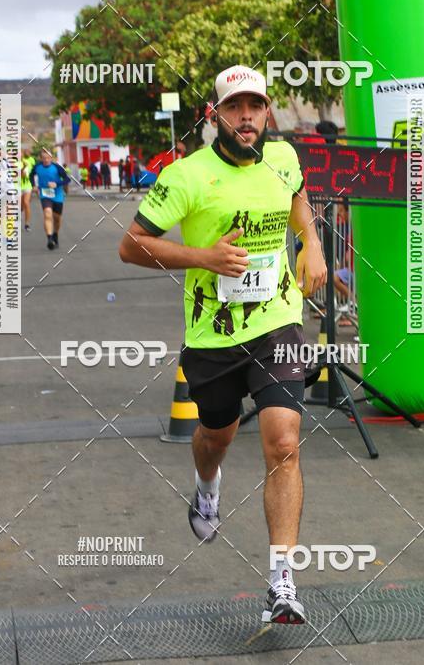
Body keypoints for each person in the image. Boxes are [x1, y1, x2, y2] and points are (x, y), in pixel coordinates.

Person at [120, 65, 327, 625]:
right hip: (212, 336)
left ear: (266, 112)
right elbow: (132, 245)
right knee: (216, 435)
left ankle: (282, 582)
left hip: (277, 323)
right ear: (216, 114)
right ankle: (206, 485)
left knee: (283, 440)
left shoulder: (283, 159)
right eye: (235, 107)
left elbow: (298, 203)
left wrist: (312, 243)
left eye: (255, 106)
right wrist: (204, 258)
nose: (246, 117)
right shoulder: (185, 176)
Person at [30, 149, 70, 250]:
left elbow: (67, 179)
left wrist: (56, 184)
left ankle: (55, 234)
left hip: (57, 194)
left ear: (51, 158)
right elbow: (31, 175)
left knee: (57, 219)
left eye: (48, 158)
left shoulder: (57, 167)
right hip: (45, 194)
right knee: (47, 214)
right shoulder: (37, 166)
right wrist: (34, 185)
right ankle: (49, 239)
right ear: (41, 158)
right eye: (44, 158)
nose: (46, 160)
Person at [19, 150, 35, 232]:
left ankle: (27, 224)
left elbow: (25, 175)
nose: (19, 155)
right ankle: (19, 214)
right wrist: (23, 168)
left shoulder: (27, 162)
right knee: (20, 206)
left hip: (27, 185)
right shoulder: (12, 163)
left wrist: (24, 167)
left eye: (20, 153)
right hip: (16, 186)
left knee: (26, 203)